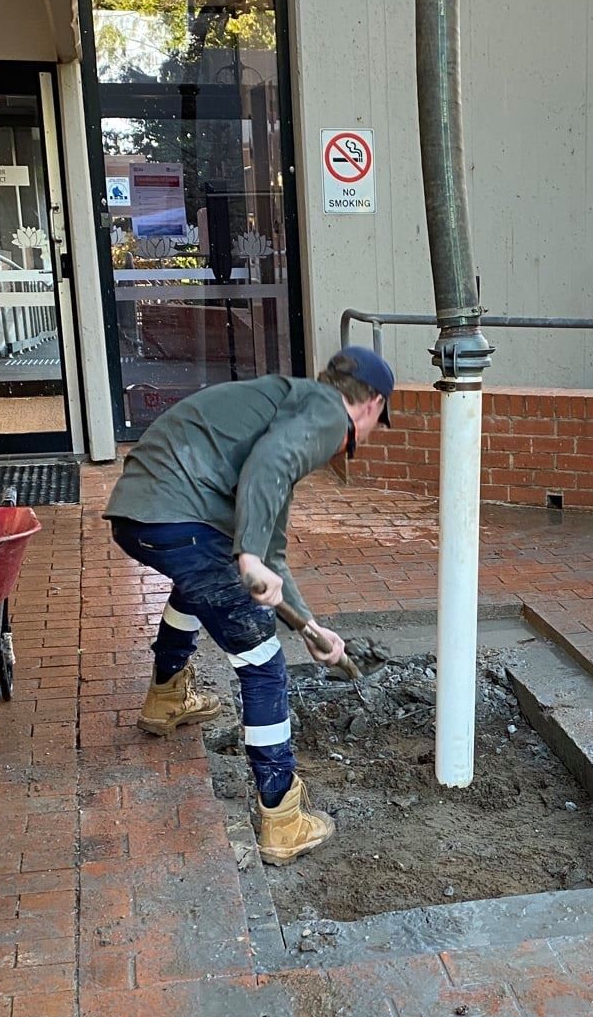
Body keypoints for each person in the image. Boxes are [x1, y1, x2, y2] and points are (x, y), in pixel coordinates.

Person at [105, 347, 394, 863]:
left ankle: (166, 698)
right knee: (262, 664)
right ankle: (282, 816)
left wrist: (313, 630)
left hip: (141, 513)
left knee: (196, 586)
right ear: (371, 405)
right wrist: (249, 556)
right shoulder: (328, 413)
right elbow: (271, 465)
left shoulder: (289, 405)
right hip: (179, 514)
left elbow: (273, 551)